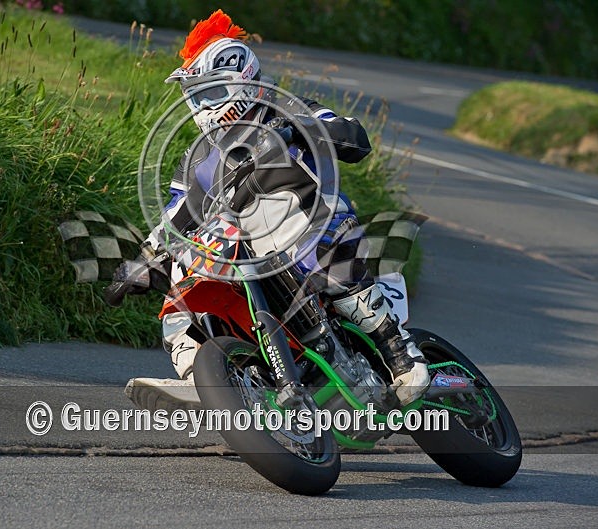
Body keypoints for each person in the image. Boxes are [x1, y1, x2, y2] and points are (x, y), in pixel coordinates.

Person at [112, 10, 429, 410]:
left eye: (209, 94)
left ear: (240, 83)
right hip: (242, 251)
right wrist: (143, 258)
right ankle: (209, 382)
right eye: (194, 96)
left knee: (310, 242)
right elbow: (177, 213)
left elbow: (354, 138)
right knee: (180, 301)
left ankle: (397, 350)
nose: (200, 107)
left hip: (315, 226)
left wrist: (304, 131)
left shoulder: (286, 111)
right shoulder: (197, 159)